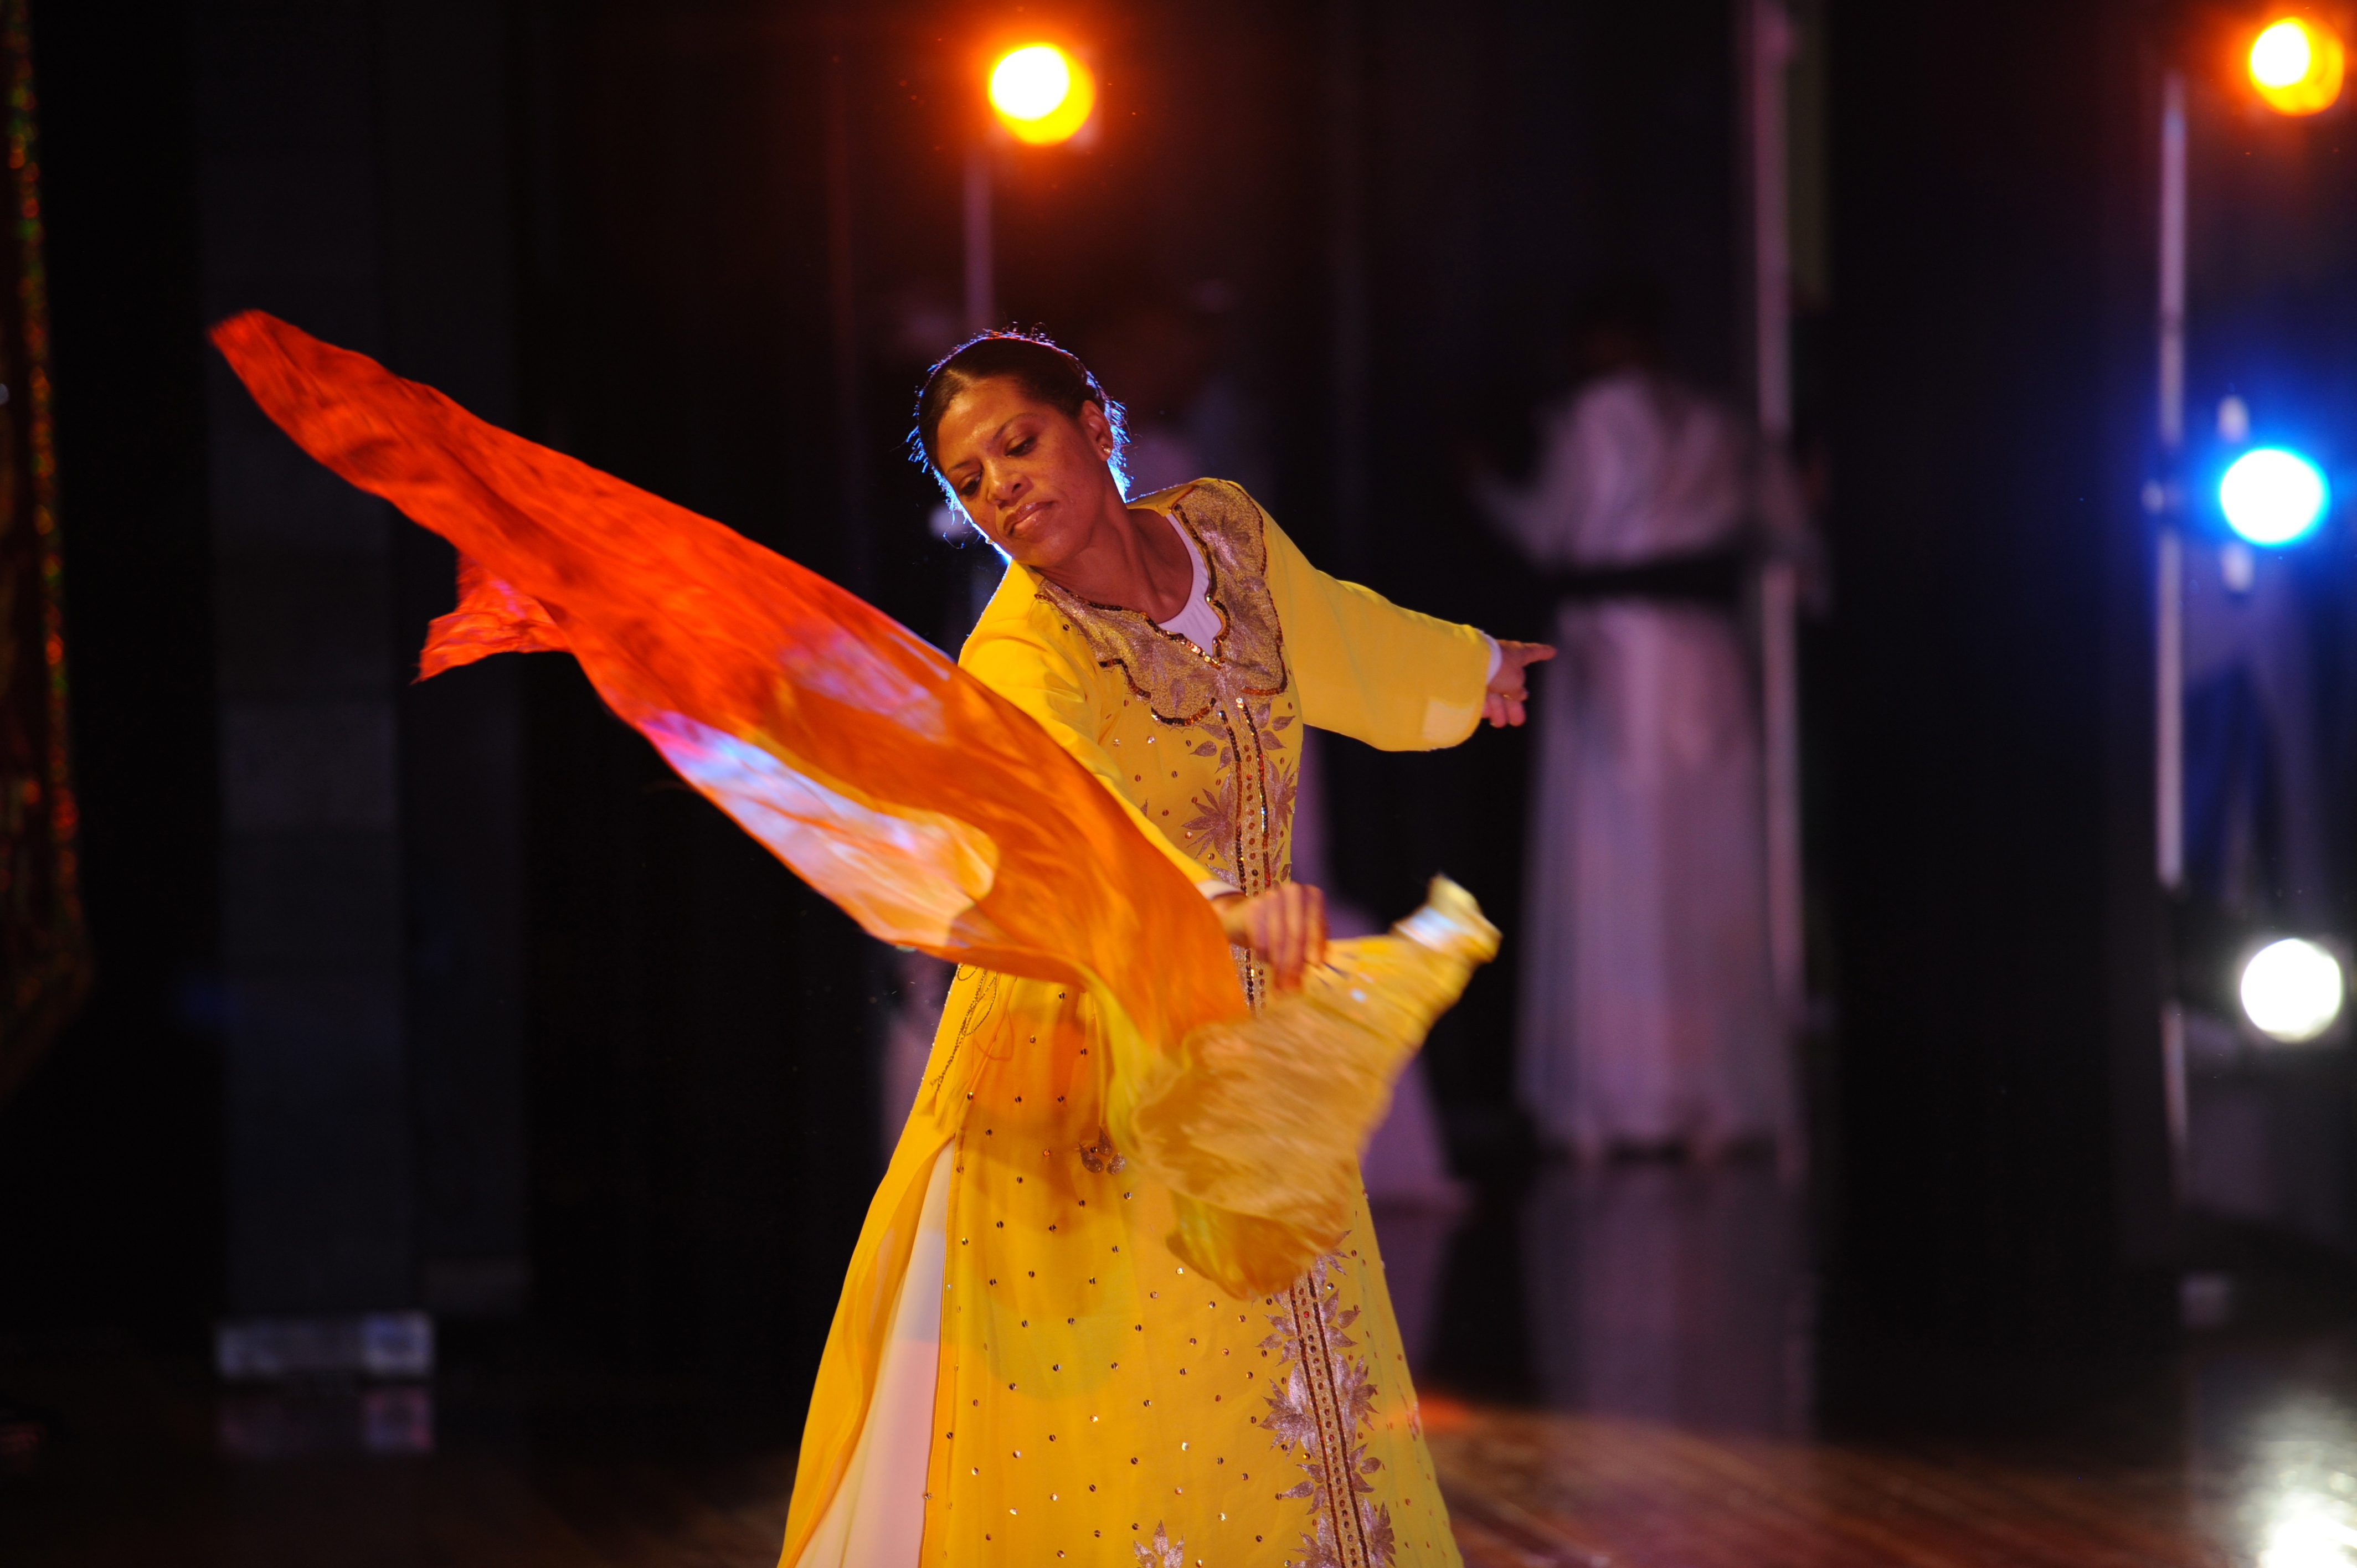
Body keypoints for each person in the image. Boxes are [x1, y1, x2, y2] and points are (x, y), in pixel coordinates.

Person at [791, 333, 1551, 1566]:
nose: (1003, 491)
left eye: (1020, 446)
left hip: (1247, 1036)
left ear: (1095, 426)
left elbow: (1332, 634)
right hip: (1086, 1055)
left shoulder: (1224, 534)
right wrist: (1218, 905)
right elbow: (1076, 821)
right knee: (1162, 1410)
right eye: (971, 482)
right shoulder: (1022, 651)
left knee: (1300, 1378)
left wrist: (1469, 669)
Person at [1472, 282, 1810, 1167]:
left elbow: (1550, 529)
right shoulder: (1720, 423)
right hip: (1703, 653)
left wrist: (1483, 487)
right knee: (1709, 864)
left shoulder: (1595, 416)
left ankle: (1619, 1099)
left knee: (1618, 867)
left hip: (1620, 650)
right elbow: (1789, 529)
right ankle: (1718, 1095)